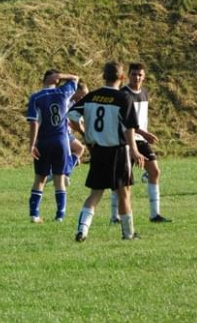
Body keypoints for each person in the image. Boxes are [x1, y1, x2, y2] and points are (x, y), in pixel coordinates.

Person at [67, 62, 146, 242]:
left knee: (95, 194)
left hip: (98, 151)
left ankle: (82, 230)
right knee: (124, 192)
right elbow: (128, 128)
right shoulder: (123, 98)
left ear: (103, 76)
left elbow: (72, 117)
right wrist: (134, 149)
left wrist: (85, 133)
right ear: (122, 77)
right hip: (118, 151)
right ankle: (128, 234)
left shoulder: (92, 96)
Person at [109, 63, 172, 224]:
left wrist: (144, 134)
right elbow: (124, 123)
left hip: (141, 140)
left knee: (155, 171)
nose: (136, 77)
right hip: (125, 141)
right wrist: (143, 133)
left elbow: (139, 119)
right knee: (122, 180)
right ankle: (115, 216)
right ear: (128, 76)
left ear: (144, 77)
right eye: (134, 74)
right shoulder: (123, 94)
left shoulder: (144, 92)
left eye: (139, 75)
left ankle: (154, 214)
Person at [27, 69, 79, 223]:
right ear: (56, 80)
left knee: (40, 178)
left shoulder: (36, 98)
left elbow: (34, 122)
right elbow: (75, 77)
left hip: (44, 141)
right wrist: (63, 76)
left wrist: (32, 144)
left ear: (44, 79)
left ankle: (34, 215)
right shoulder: (64, 92)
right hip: (61, 141)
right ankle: (60, 216)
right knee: (59, 179)